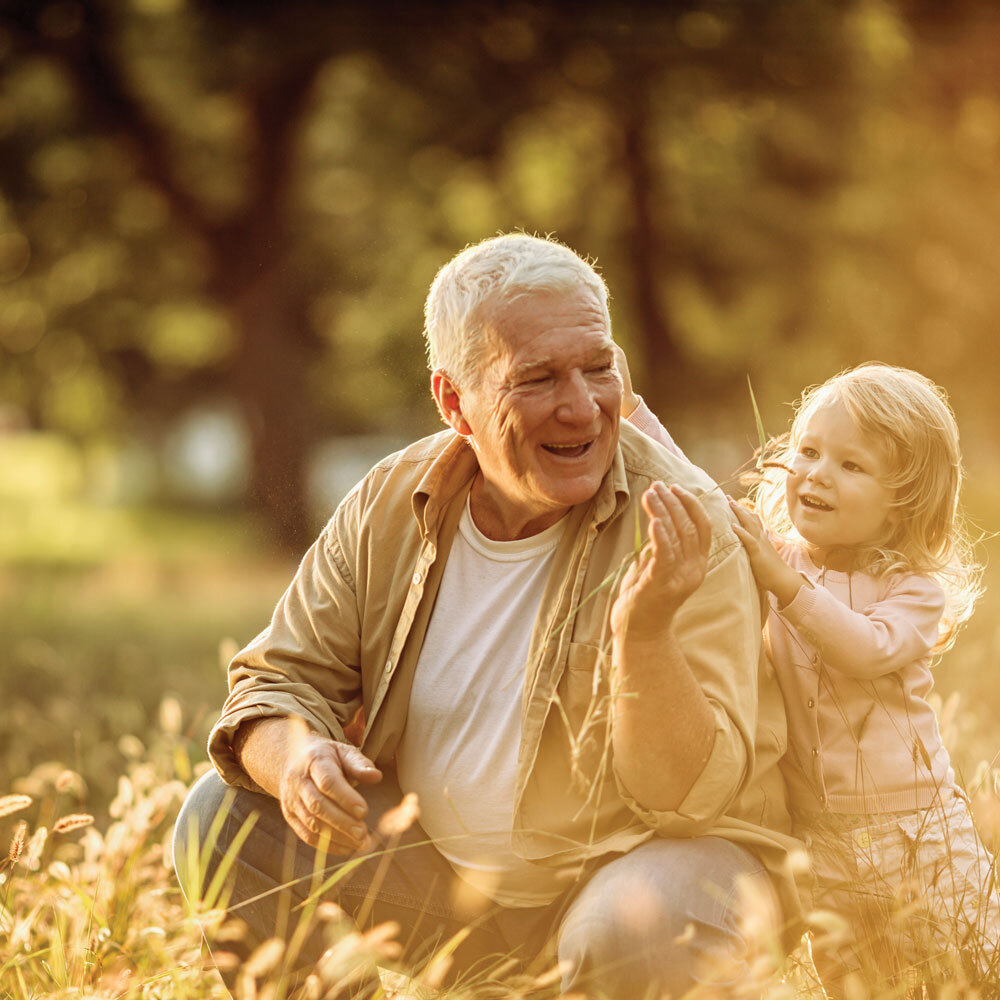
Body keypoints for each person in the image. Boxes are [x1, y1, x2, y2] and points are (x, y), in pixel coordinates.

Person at [173, 233, 803, 999]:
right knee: (222, 818)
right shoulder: (390, 502)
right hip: (443, 886)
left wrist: (645, 637)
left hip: (641, 877)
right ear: (453, 401)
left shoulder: (681, 518)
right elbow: (277, 681)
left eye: (599, 368)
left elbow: (688, 799)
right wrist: (298, 761)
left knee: (642, 924)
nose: (583, 405)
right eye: (537, 378)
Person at [624, 359, 1000, 992]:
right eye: (809, 451)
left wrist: (783, 583)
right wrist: (632, 411)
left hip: (916, 832)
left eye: (852, 466)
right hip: (819, 837)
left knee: (964, 967)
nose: (818, 474)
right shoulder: (778, 552)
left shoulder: (910, 590)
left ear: (903, 503)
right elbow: (700, 496)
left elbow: (867, 648)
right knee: (857, 979)